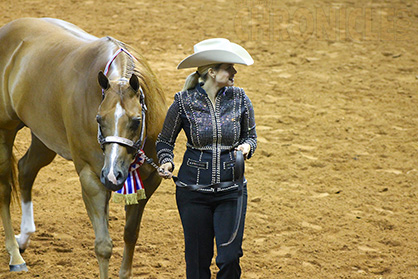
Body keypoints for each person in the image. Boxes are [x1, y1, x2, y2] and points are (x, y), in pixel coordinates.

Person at [156, 38, 257, 279]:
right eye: (228, 67)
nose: (234, 71)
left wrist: (246, 146)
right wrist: (166, 160)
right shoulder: (183, 102)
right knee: (197, 262)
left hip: (232, 190)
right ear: (212, 72)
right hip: (193, 192)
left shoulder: (240, 98)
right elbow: (164, 141)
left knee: (229, 258)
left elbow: (252, 136)